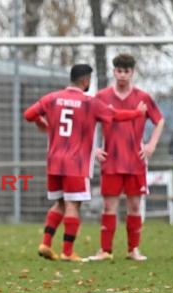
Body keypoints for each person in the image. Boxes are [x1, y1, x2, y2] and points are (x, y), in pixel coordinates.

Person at [23, 64, 147, 262]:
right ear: (86, 81)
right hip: (76, 162)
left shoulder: (52, 98)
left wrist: (42, 124)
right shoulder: (89, 102)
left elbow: (29, 114)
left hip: (54, 161)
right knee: (73, 203)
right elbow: (114, 116)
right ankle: (67, 251)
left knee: (60, 202)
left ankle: (45, 243)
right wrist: (136, 113)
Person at [87, 54, 165, 262]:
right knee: (109, 206)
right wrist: (94, 149)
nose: (122, 75)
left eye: (126, 71)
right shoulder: (102, 96)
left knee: (134, 206)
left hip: (135, 161)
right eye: (118, 71)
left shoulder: (143, 97)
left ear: (132, 72)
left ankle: (133, 250)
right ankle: (105, 250)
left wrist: (151, 145)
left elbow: (159, 120)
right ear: (114, 72)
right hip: (111, 160)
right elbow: (88, 122)